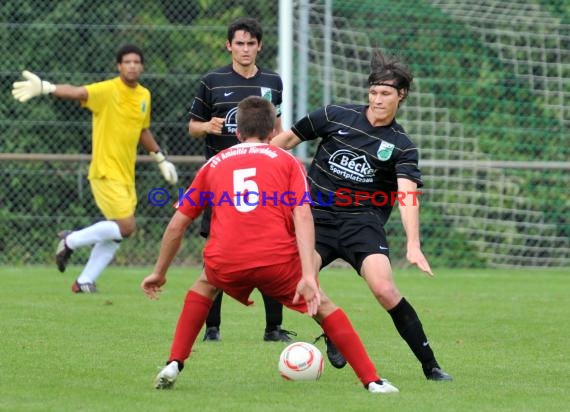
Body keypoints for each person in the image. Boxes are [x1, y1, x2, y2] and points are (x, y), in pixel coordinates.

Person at [141, 96, 399, 394]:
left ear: (237, 132)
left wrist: (159, 272)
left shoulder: (213, 165)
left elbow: (177, 225)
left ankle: (175, 361)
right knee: (324, 306)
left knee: (204, 285)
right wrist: (306, 275)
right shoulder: (288, 162)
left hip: (226, 260)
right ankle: (372, 381)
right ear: (274, 131)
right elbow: (303, 215)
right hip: (276, 262)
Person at [271, 50, 453, 381]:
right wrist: (251, 155)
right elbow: (285, 140)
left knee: (385, 290)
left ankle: (431, 366)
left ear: (401, 95)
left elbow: (407, 194)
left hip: (362, 224)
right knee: (300, 281)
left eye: (386, 93)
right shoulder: (334, 115)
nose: (378, 99)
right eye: (373, 92)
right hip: (318, 220)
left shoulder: (402, 145)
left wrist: (413, 244)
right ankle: (334, 334)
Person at [11, 44, 178, 293]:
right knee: (127, 227)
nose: (132, 65)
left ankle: (84, 281)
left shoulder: (144, 95)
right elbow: (78, 92)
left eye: (136, 62)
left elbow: (143, 129)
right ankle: (70, 240)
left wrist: (160, 158)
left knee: (117, 233)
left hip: (125, 175)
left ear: (142, 66)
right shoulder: (108, 90)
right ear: (119, 66)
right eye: (127, 61)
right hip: (104, 171)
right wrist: (47, 87)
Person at [187, 17, 291, 342]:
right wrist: (207, 127)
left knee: (272, 247)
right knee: (219, 249)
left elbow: (277, 131)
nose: (245, 49)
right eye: (239, 43)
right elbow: (192, 126)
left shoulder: (273, 81)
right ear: (228, 45)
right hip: (222, 184)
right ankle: (212, 329)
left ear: (259, 46)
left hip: (263, 184)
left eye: (251, 43)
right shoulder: (212, 81)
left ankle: (273, 329)